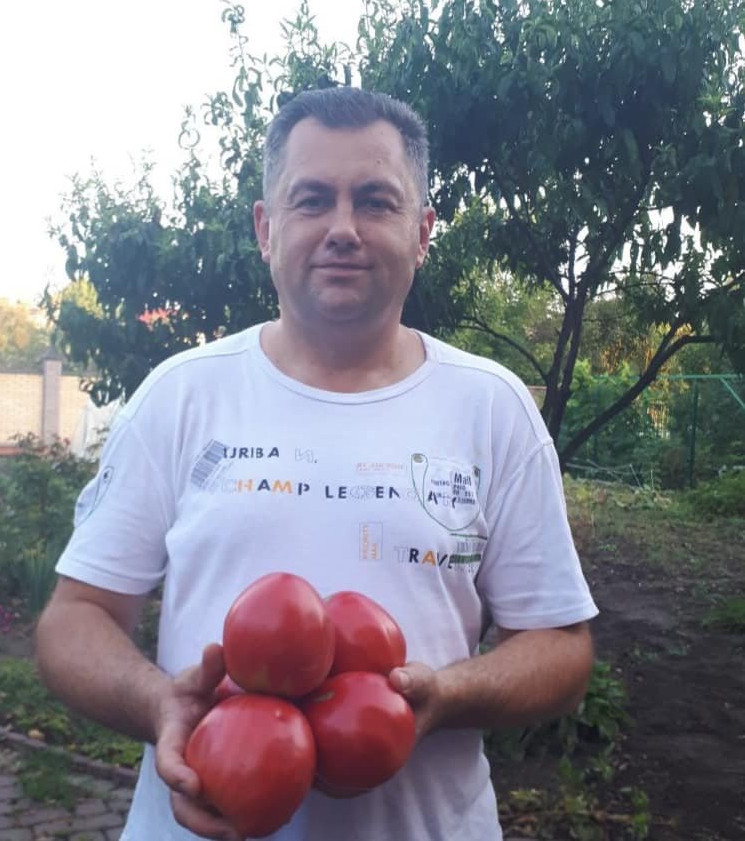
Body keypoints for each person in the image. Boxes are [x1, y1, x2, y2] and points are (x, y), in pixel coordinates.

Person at [36, 86, 598, 841]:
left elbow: (561, 647)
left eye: (375, 201)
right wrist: (158, 703)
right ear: (266, 229)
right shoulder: (181, 395)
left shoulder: (492, 407)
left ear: (422, 232)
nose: (342, 229)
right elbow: (75, 618)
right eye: (311, 200)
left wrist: (448, 697)